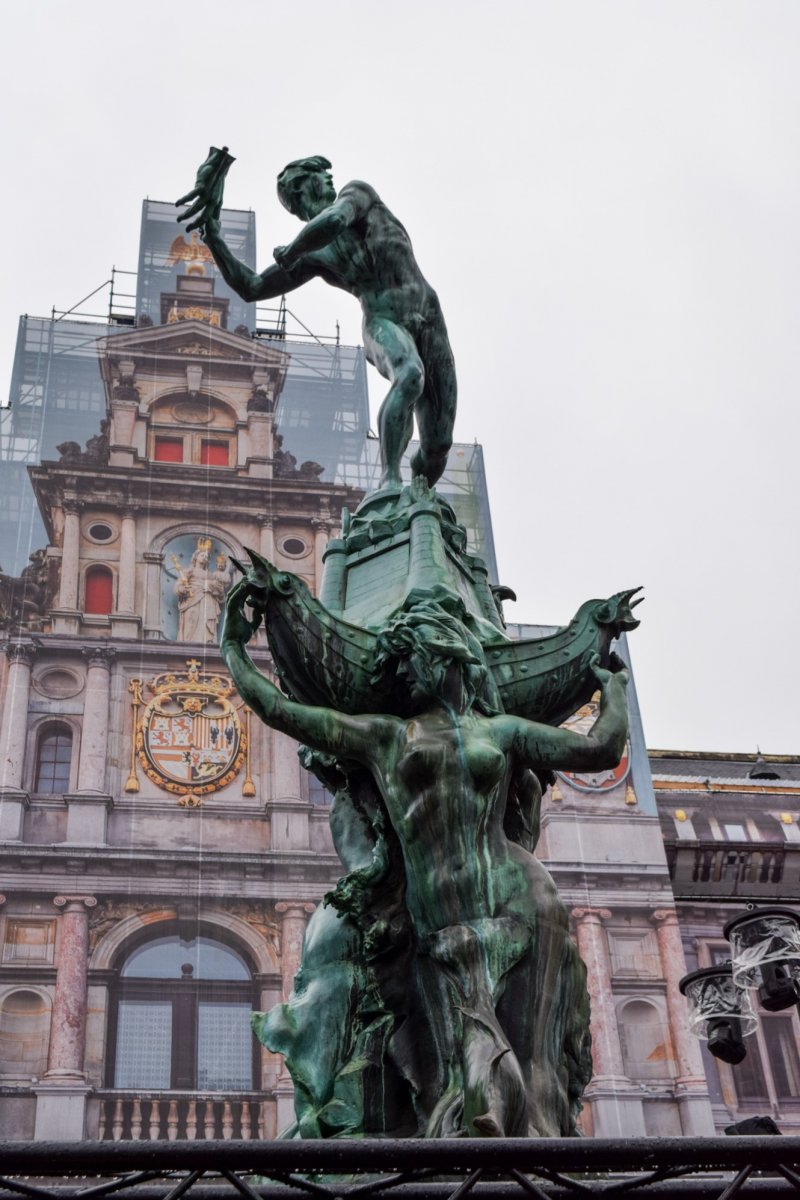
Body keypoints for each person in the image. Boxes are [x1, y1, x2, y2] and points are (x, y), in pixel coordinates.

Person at [221, 578, 630, 1137]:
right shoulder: (385, 736)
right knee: (451, 1060)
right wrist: (233, 646)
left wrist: (614, 689)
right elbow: (278, 709)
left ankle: (526, 1150)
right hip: (435, 906)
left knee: (529, 1061)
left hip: (518, 892)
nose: (404, 674)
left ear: (447, 661)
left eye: (412, 661)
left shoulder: (504, 731)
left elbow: (600, 750)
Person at [177, 153, 457, 489]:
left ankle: (420, 498)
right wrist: (213, 236)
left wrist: (292, 250)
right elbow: (252, 286)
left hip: (429, 316)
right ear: (302, 187)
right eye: (320, 174)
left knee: (439, 445)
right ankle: (390, 482)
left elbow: (335, 220)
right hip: (382, 320)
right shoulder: (316, 256)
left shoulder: (357, 195)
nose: (329, 178)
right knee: (410, 375)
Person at [174, 541, 230, 643]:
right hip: (192, 601)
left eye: (207, 556)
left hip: (208, 602)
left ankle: (207, 643)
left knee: (205, 625)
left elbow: (221, 592)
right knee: (191, 621)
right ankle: (187, 644)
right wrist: (183, 589)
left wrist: (211, 589)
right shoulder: (189, 571)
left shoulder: (211, 575)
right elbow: (178, 586)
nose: (205, 557)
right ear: (196, 557)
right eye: (202, 555)